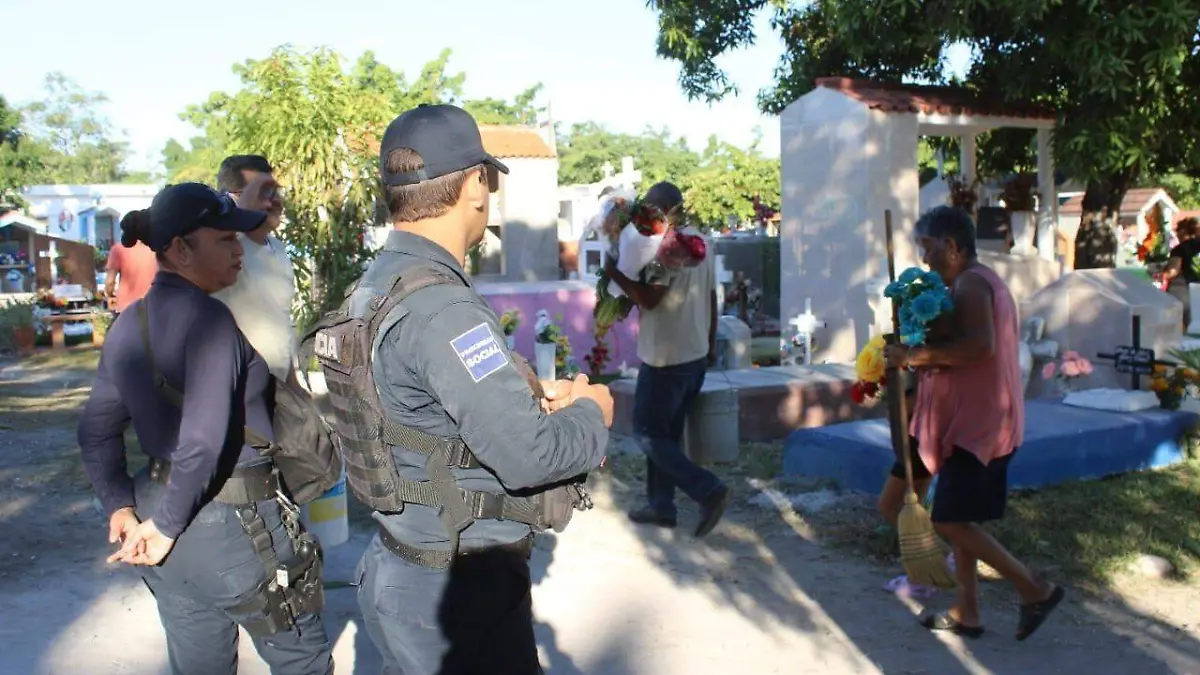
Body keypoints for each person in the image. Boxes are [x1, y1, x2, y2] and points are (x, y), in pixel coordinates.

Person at [313, 103, 613, 675]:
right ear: (476, 184)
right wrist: (594, 413)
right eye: (489, 179)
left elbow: (418, 406)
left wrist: (522, 395)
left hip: (400, 569)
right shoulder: (443, 307)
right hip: (456, 597)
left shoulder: (379, 283)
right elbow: (532, 456)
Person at [76, 182, 335, 675]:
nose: (239, 249)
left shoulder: (129, 325)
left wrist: (122, 507)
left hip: (165, 523)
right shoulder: (211, 321)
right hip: (236, 526)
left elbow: (96, 431)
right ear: (179, 249)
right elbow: (202, 439)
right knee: (304, 663)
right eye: (224, 240)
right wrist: (167, 526)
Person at [883, 205, 1064, 641]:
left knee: (951, 521)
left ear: (951, 246)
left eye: (927, 249)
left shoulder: (972, 284)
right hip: (961, 420)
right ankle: (968, 613)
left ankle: (1034, 589)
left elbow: (979, 347)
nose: (924, 260)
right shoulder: (967, 283)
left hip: (979, 424)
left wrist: (913, 355)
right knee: (954, 515)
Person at [604, 181, 730, 537]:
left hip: (665, 359)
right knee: (665, 437)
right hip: (693, 355)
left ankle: (708, 490)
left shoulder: (666, 249)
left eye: (652, 209)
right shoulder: (701, 241)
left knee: (647, 434)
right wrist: (709, 344)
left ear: (665, 211)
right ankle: (661, 507)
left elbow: (650, 300)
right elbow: (711, 298)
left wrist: (614, 274)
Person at [212, 154, 297, 380]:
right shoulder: (224, 249)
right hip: (238, 386)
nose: (275, 201)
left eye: (275, 191)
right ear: (233, 197)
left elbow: (281, 324)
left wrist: (297, 389)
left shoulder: (277, 248)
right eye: (263, 192)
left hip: (279, 388)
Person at [104, 233, 158, 314]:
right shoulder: (157, 249)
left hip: (126, 307)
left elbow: (110, 282)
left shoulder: (118, 249)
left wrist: (110, 295)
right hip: (153, 305)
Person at [1163, 216, 1200, 329]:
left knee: (1186, 325)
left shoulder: (1180, 249)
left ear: (1183, 231)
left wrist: (1160, 274)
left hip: (1185, 290)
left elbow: (1173, 271)